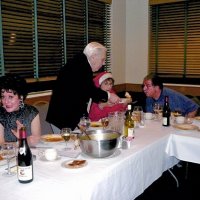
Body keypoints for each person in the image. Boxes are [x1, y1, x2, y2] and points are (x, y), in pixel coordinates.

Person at [46, 42, 121, 131]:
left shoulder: (80, 63)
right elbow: (90, 90)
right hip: (63, 117)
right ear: (93, 57)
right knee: (66, 144)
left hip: (66, 116)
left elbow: (82, 92)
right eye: (102, 59)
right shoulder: (81, 66)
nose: (104, 63)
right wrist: (109, 96)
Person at [0, 74, 41, 145]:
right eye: (3, 97)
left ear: (21, 97)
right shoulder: (1, 115)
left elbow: (36, 140)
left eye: (10, 97)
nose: (6, 101)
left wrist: (21, 141)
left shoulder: (31, 112)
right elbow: (1, 144)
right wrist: (21, 141)